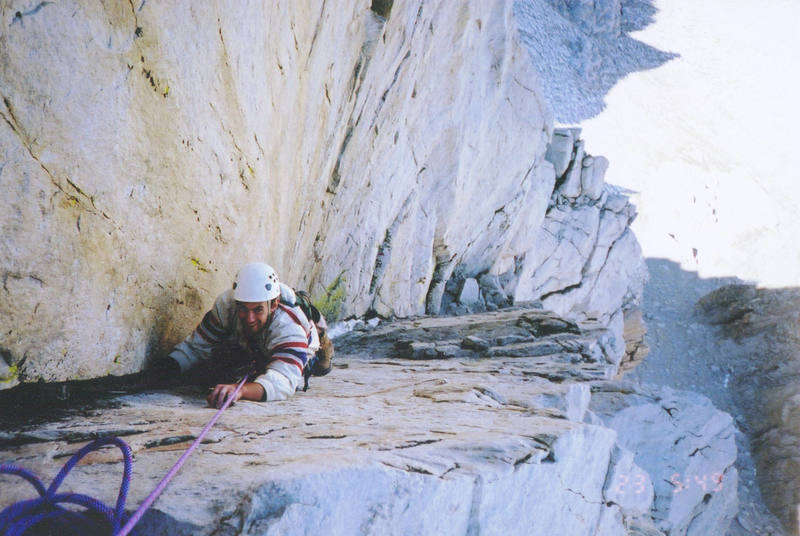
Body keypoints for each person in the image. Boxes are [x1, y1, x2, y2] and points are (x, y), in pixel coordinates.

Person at [150, 262, 332, 407]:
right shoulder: (227, 305)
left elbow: (283, 382)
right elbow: (195, 348)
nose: (249, 318)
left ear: (274, 304)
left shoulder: (288, 327)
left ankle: (322, 339)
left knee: (319, 367)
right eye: (243, 308)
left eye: (257, 309)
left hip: (304, 346)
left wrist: (241, 391)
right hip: (253, 345)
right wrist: (164, 369)